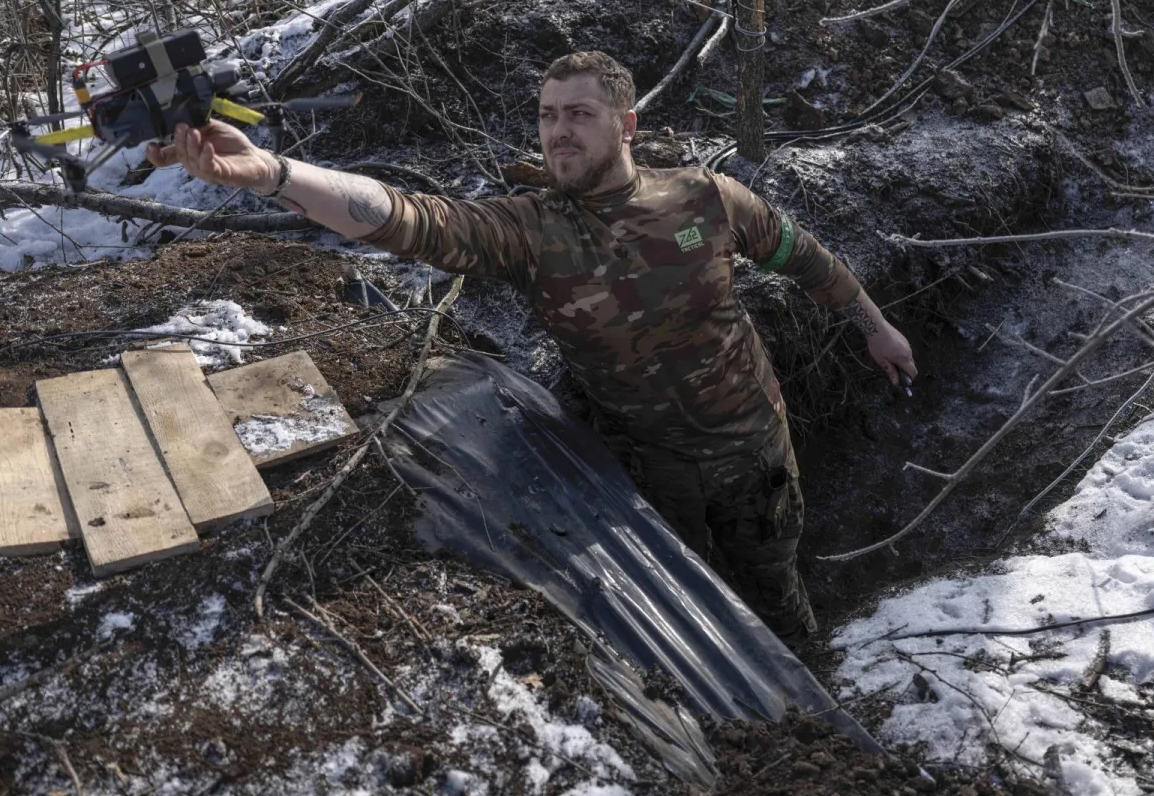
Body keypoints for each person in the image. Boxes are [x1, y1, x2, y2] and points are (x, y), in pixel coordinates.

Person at [149, 51, 916, 639]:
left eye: (579, 114)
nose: (558, 131)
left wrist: (876, 327)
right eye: (548, 115)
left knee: (777, 592)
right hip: (646, 479)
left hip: (753, 452)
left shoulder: (704, 197)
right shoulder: (530, 229)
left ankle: (814, 696)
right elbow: (409, 219)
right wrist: (274, 173)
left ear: (626, 125)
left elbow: (803, 257)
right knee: (688, 615)